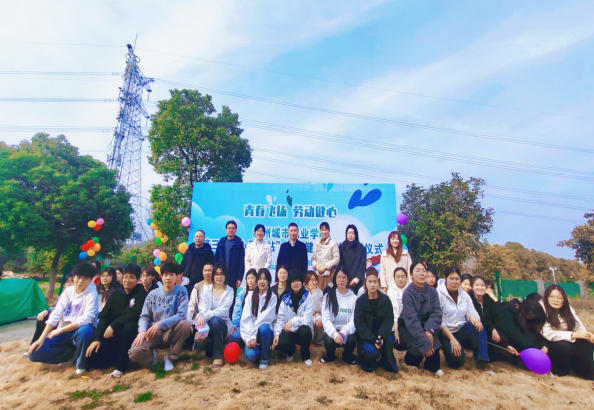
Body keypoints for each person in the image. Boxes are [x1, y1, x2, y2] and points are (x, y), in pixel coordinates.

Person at [28, 262, 99, 375]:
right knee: (33, 354)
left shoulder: (92, 293)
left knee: (86, 330)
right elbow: (56, 313)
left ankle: (81, 364)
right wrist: (41, 338)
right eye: (78, 277)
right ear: (73, 277)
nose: (80, 281)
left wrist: (60, 330)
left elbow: (87, 318)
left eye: (85, 278)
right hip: (64, 331)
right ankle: (71, 354)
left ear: (91, 280)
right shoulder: (68, 291)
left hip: (79, 332)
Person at [85, 263, 148, 378]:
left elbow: (134, 314)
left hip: (129, 333)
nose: (127, 280)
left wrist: (114, 325)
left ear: (138, 279)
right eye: (125, 277)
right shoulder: (116, 294)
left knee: (130, 326)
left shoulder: (142, 294)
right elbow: (104, 317)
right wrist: (97, 338)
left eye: (132, 277)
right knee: (91, 359)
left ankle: (121, 366)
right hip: (111, 334)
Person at [129, 262, 190, 372]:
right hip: (153, 332)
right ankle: (151, 360)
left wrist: (160, 324)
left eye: (171, 275)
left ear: (176, 276)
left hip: (171, 330)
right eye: (165, 275)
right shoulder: (153, 294)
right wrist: (142, 331)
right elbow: (144, 316)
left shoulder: (182, 291)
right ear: (161, 277)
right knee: (134, 352)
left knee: (185, 325)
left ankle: (170, 357)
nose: (168, 278)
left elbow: (181, 315)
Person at [398, 260, 443, 376]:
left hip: (427, 327)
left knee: (434, 337)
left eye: (424, 271)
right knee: (415, 356)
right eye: (417, 271)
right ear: (411, 274)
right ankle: (411, 357)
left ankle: (431, 363)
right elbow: (412, 320)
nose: (422, 273)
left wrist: (428, 329)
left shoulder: (433, 292)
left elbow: (437, 312)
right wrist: (425, 344)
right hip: (409, 328)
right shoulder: (408, 294)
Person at [438, 267, 489, 369]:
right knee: (457, 362)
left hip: (461, 329)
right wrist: (452, 339)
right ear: (446, 279)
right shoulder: (438, 294)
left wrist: (473, 317)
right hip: (446, 333)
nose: (454, 281)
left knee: (478, 326)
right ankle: (450, 352)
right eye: (451, 278)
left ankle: (482, 360)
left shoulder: (464, 295)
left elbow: (471, 310)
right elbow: (438, 319)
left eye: (457, 279)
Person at [540, 284, 594, 379]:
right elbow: (547, 333)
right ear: (546, 297)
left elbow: (578, 326)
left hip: (568, 339)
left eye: (559, 298)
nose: (555, 300)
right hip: (548, 342)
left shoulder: (568, 309)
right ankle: (560, 372)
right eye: (552, 297)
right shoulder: (541, 309)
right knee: (564, 346)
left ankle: (587, 373)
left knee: (586, 344)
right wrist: (572, 335)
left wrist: (587, 335)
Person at [354, 267, 398, 373]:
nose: (372, 284)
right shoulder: (360, 301)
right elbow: (360, 325)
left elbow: (388, 320)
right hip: (366, 338)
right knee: (371, 352)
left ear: (378, 283)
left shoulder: (385, 300)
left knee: (390, 340)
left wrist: (380, 337)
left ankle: (386, 361)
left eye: (375, 281)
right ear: (365, 283)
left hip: (382, 336)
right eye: (370, 282)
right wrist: (374, 340)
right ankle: (369, 361)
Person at [195, 263, 235, 367]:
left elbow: (223, 311)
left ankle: (218, 356)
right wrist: (202, 317)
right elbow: (202, 308)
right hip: (207, 327)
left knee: (215, 320)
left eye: (222, 274)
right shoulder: (206, 290)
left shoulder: (229, 291)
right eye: (216, 274)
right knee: (200, 344)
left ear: (225, 275)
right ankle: (213, 349)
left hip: (222, 326)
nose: (219, 277)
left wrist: (206, 315)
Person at [468, 276, 514, 363]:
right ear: (472, 287)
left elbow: (497, 319)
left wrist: (505, 344)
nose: (480, 288)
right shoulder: (468, 299)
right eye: (477, 285)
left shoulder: (488, 299)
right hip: (476, 334)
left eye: (482, 285)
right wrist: (492, 328)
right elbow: (478, 318)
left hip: (489, 335)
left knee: (506, 355)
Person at [273, 269, 314, 366]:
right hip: (290, 331)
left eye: (298, 280)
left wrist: (293, 322)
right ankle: (291, 351)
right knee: (281, 341)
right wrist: (277, 334)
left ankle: (305, 355)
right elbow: (280, 320)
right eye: (293, 281)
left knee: (304, 330)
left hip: (303, 330)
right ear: (289, 283)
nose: (296, 283)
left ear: (302, 282)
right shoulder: (285, 299)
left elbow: (307, 319)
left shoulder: (308, 296)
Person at [320, 266, 357, 365]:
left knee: (352, 339)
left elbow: (354, 320)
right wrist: (335, 334)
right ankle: (330, 355)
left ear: (348, 279)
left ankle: (347, 356)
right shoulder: (328, 296)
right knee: (328, 340)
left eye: (343, 277)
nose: (341, 280)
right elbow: (326, 319)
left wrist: (343, 332)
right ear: (335, 278)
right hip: (333, 329)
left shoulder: (354, 298)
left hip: (347, 330)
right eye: (339, 277)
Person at [241, 268, 277, 370]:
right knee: (251, 356)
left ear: (269, 281)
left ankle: (265, 358)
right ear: (257, 281)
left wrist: (253, 335)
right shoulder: (250, 296)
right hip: (251, 333)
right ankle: (260, 351)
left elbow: (264, 319)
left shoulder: (272, 297)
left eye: (265, 279)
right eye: (260, 279)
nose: (262, 281)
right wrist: (249, 338)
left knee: (263, 327)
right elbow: (245, 319)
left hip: (264, 332)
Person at [30, 274, 74, 346]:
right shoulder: (63, 294)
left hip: (67, 322)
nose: (68, 285)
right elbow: (55, 307)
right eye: (67, 282)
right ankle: (35, 344)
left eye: (71, 283)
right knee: (43, 317)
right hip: (58, 318)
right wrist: (47, 311)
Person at [186, 262, 214, 347]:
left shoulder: (217, 286)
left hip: (212, 317)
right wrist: (189, 321)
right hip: (199, 318)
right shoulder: (198, 287)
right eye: (205, 270)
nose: (207, 273)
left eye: (210, 270)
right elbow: (191, 305)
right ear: (202, 271)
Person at [229, 268, 259, 346]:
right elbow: (237, 310)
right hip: (242, 325)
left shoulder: (260, 293)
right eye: (248, 278)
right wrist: (235, 324)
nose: (250, 280)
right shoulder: (242, 293)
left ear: (256, 280)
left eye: (252, 278)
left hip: (254, 326)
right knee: (232, 335)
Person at [180, 229, 214, 295]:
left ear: (204, 238)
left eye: (200, 237)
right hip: (187, 282)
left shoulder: (208, 252)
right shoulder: (188, 251)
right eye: (197, 236)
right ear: (194, 238)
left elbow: (212, 267)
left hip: (201, 282)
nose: (198, 238)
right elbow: (182, 264)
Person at [213, 220, 245, 289]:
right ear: (226, 230)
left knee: (232, 294)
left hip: (234, 276)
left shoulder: (239, 243)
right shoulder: (221, 242)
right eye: (229, 228)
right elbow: (216, 259)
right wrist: (216, 272)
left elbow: (242, 262)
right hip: (221, 275)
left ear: (235, 230)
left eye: (233, 228)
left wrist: (239, 278)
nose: (231, 230)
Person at [310, 222, 340, 290]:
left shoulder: (333, 243)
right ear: (320, 231)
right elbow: (313, 259)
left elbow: (336, 259)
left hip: (328, 275)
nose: (324, 232)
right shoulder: (316, 244)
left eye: (326, 230)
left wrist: (325, 267)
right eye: (322, 230)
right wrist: (316, 266)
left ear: (329, 231)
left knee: (327, 294)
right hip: (317, 275)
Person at [339, 224, 367, 295]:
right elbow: (340, 265)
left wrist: (356, 279)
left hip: (357, 282)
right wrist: (344, 278)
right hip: (344, 281)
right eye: (348, 233)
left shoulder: (361, 248)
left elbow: (362, 265)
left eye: (352, 233)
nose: (350, 235)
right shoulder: (341, 248)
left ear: (356, 234)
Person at [386, 267, 409, 347]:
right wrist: (396, 330)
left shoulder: (411, 289)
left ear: (406, 277)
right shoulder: (391, 291)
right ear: (394, 278)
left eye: (403, 277)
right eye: (398, 277)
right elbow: (394, 312)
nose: (400, 279)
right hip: (395, 324)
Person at [305, 271, 324, 345]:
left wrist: (314, 292)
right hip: (306, 315)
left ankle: (319, 340)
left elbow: (318, 308)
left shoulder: (319, 292)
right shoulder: (303, 292)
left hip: (316, 314)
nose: (314, 282)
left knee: (320, 319)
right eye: (312, 280)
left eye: (316, 280)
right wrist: (314, 320)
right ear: (307, 282)